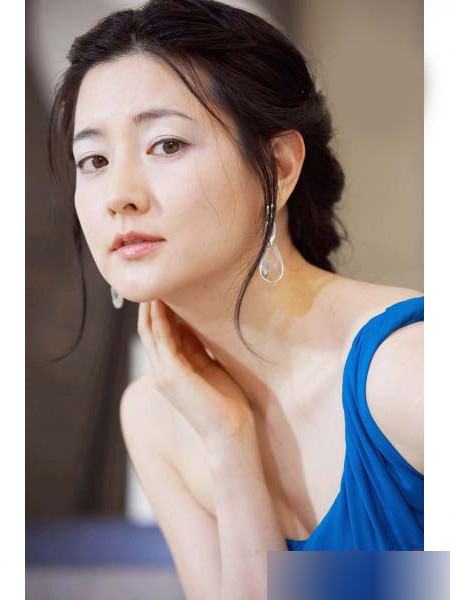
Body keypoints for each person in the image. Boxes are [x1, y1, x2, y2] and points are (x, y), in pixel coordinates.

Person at [47, 0, 424, 597]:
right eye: (93, 160)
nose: (118, 195)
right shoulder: (158, 417)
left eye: (166, 145)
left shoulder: (409, 371)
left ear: (279, 165)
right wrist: (230, 444)